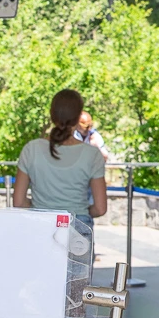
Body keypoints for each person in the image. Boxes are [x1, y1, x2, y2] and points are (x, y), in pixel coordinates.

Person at [13, 89, 109, 220]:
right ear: (78, 117)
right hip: (77, 227)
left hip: (41, 225)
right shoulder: (92, 154)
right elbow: (100, 208)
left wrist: (36, 208)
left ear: (52, 115)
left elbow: (18, 202)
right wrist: (81, 213)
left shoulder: (31, 149)